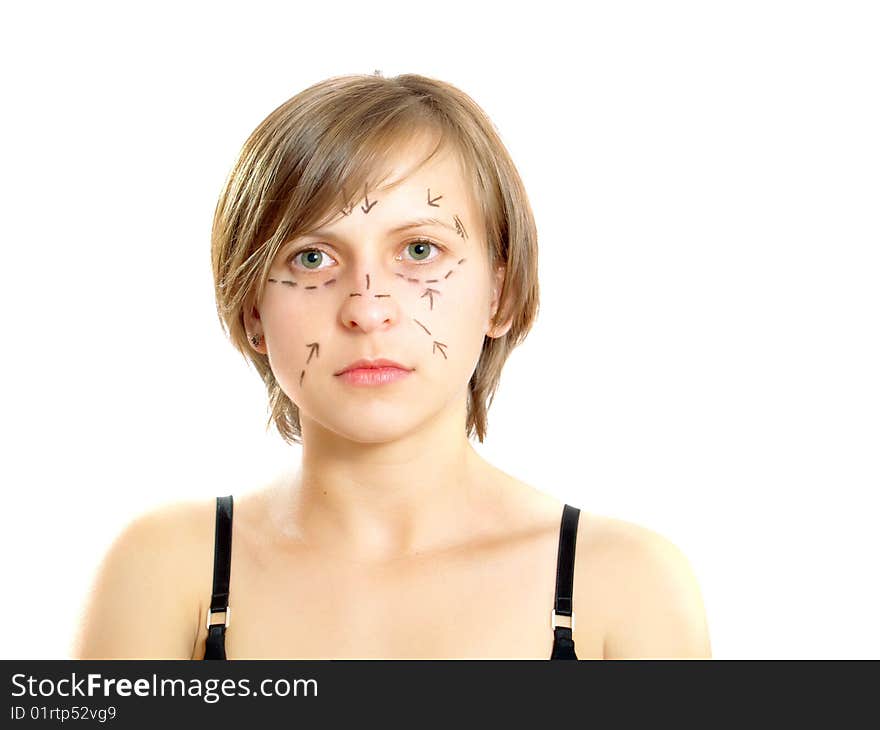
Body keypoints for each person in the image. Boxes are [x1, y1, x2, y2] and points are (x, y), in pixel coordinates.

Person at [72, 72, 711, 660]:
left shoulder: (626, 585)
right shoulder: (164, 571)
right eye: (313, 258)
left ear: (501, 292)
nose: (367, 309)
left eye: (420, 249)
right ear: (253, 312)